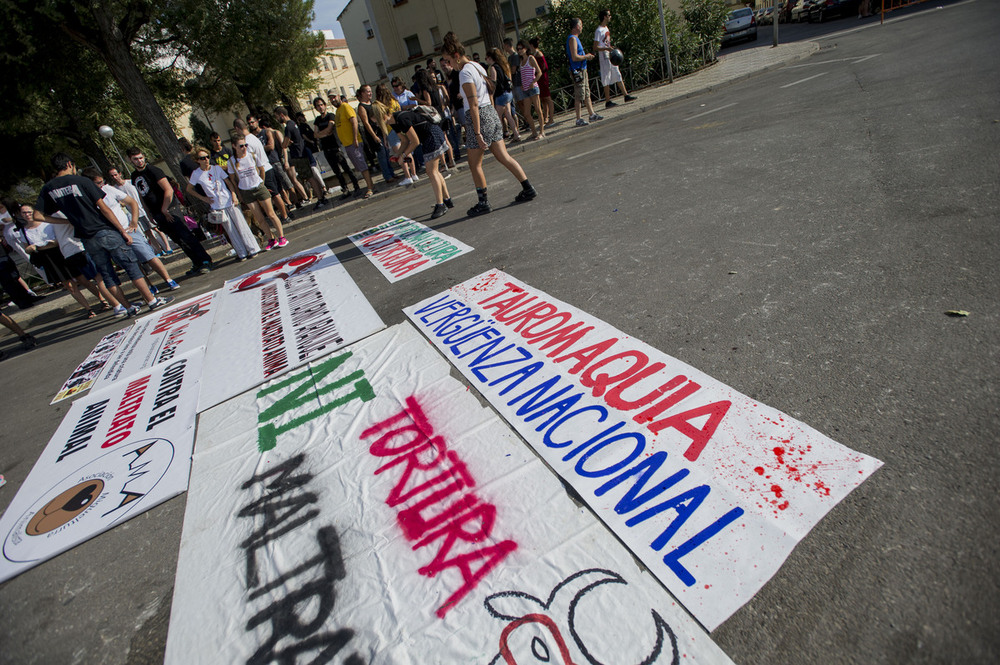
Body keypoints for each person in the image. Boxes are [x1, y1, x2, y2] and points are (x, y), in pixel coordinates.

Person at [36, 153, 171, 316]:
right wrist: (122, 231)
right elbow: (104, 209)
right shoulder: (81, 181)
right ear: (70, 164)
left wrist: (68, 221)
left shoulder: (49, 189)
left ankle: (128, 307)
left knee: (106, 273)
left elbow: (37, 215)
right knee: (130, 265)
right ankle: (151, 300)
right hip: (104, 229)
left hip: (86, 236)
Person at [441, 32, 537, 217]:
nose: (447, 65)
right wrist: (493, 115)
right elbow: (488, 93)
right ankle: (528, 187)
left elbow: (473, 103)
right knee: (503, 156)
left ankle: (483, 202)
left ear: (455, 56)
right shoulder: (477, 66)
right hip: (489, 113)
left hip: (478, 117)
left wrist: (476, 132)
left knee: (474, 164)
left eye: (448, 60)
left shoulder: (465, 72)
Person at [81, 168, 181, 294]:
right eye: (98, 183)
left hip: (128, 229)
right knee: (132, 263)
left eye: (102, 182)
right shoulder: (86, 198)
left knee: (147, 255)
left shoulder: (108, 189)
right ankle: (149, 287)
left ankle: (168, 279)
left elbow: (132, 202)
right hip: (113, 235)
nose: (101, 185)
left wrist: (134, 221)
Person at [127, 147, 214, 275]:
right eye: (136, 159)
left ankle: (205, 260)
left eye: (141, 158)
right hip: (157, 213)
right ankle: (196, 262)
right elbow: (142, 195)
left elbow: (169, 190)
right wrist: (148, 213)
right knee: (178, 240)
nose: (139, 161)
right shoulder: (134, 176)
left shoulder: (154, 170)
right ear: (130, 160)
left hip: (170, 209)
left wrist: (165, 208)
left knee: (186, 236)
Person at [15, 203, 105, 318]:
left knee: (82, 279)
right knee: (69, 286)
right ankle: (89, 309)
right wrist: (33, 248)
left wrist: (41, 246)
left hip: (60, 253)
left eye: (29, 212)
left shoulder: (47, 224)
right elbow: (27, 248)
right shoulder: (23, 231)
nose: (27, 215)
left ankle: (102, 300)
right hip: (48, 259)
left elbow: (57, 240)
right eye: (24, 213)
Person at [186, 145, 260, 260]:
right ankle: (242, 253)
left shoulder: (216, 168)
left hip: (229, 200)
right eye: (202, 158)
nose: (205, 160)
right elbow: (189, 189)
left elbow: (229, 182)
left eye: (207, 157)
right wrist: (204, 198)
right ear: (197, 160)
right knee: (230, 230)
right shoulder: (196, 174)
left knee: (242, 225)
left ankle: (252, 249)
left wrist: (234, 195)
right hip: (216, 205)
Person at [226, 134, 288, 249]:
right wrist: (238, 193)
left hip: (258, 187)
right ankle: (271, 239)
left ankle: (282, 237)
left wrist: (261, 183)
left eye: (245, 145)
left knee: (271, 214)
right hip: (246, 191)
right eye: (241, 146)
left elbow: (262, 169)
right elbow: (233, 179)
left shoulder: (252, 156)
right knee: (259, 218)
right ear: (234, 146)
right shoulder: (231, 162)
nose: (244, 148)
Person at [390, 108, 452, 219]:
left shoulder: (401, 119)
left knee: (431, 172)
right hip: (429, 136)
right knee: (435, 172)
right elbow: (404, 141)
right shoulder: (394, 122)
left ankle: (440, 204)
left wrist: (404, 156)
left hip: (431, 135)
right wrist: (398, 154)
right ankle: (447, 200)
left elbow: (415, 141)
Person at [234, 118, 291, 225]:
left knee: (274, 195)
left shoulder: (246, 142)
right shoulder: (253, 137)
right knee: (276, 193)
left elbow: (251, 160)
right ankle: (286, 212)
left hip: (263, 169)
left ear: (237, 128)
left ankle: (285, 216)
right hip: (268, 167)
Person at [274, 106, 329, 210]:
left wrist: (286, 143)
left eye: (277, 117)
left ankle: (321, 198)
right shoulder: (294, 124)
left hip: (299, 155)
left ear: (282, 115)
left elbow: (284, 144)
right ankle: (321, 197)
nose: (277, 119)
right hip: (301, 153)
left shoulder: (288, 127)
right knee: (309, 177)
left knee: (310, 178)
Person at [107, 166, 171, 255]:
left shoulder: (130, 182)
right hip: (134, 214)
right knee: (148, 232)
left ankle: (167, 246)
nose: (114, 177)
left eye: (115, 174)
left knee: (156, 228)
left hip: (143, 210)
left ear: (120, 174)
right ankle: (159, 250)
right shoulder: (114, 188)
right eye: (112, 176)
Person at [312, 97, 361, 199]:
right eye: (318, 106)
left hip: (335, 147)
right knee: (337, 172)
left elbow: (329, 130)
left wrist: (322, 133)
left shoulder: (331, 116)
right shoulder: (317, 120)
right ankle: (345, 189)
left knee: (346, 168)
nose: (320, 107)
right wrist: (323, 134)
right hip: (326, 149)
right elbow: (315, 134)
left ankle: (356, 186)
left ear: (325, 105)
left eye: (321, 105)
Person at [377, 83, 418, 187]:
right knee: (407, 151)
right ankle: (413, 174)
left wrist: (385, 138)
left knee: (399, 153)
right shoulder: (395, 101)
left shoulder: (382, 106)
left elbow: (383, 122)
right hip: (401, 127)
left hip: (391, 129)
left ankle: (407, 176)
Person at [594, 9, 636, 109]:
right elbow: (595, 47)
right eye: (609, 15)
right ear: (604, 17)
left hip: (610, 54)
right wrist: (606, 48)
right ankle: (608, 101)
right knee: (606, 77)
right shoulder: (599, 30)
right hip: (604, 55)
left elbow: (606, 42)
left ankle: (626, 95)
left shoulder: (606, 28)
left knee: (617, 74)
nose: (610, 17)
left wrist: (610, 47)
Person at [415, 68, 456, 170]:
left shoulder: (425, 88)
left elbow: (428, 102)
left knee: (438, 142)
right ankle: (451, 160)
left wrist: (417, 100)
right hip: (440, 114)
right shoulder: (435, 86)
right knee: (445, 139)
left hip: (433, 116)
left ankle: (443, 164)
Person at [566, 18, 602, 127]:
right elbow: (574, 56)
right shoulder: (572, 39)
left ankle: (591, 114)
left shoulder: (576, 38)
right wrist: (587, 56)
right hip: (578, 70)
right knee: (579, 94)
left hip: (582, 69)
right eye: (580, 25)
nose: (582, 27)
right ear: (576, 26)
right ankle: (578, 118)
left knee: (586, 92)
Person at [356, 85, 395, 184]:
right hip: (374, 134)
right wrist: (374, 136)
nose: (370, 93)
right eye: (368, 92)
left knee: (386, 152)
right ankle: (387, 176)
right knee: (381, 154)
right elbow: (366, 123)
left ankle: (391, 173)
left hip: (381, 130)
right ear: (363, 93)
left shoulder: (373, 104)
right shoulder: (362, 106)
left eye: (370, 91)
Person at [485, 49, 519, 143]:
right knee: (508, 114)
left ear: (490, 58)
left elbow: (494, 83)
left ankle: (499, 139)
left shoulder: (493, 68)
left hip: (500, 95)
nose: (486, 60)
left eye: (486, 58)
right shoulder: (501, 65)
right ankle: (516, 133)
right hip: (508, 93)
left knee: (498, 117)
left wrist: (488, 81)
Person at [515, 40, 546, 140]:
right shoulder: (520, 61)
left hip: (533, 88)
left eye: (521, 48)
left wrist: (533, 82)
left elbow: (539, 72)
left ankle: (541, 132)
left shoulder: (530, 58)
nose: (519, 50)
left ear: (525, 48)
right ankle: (534, 131)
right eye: (518, 49)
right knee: (527, 113)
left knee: (538, 109)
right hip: (525, 89)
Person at [528, 38, 554, 128]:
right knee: (543, 99)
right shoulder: (534, 54)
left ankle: (551, 118)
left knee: (547, 98)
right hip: (539, 79)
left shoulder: (539, 54)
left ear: (531, 45)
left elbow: (544, 66)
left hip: (543, 78)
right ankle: (546, 117)